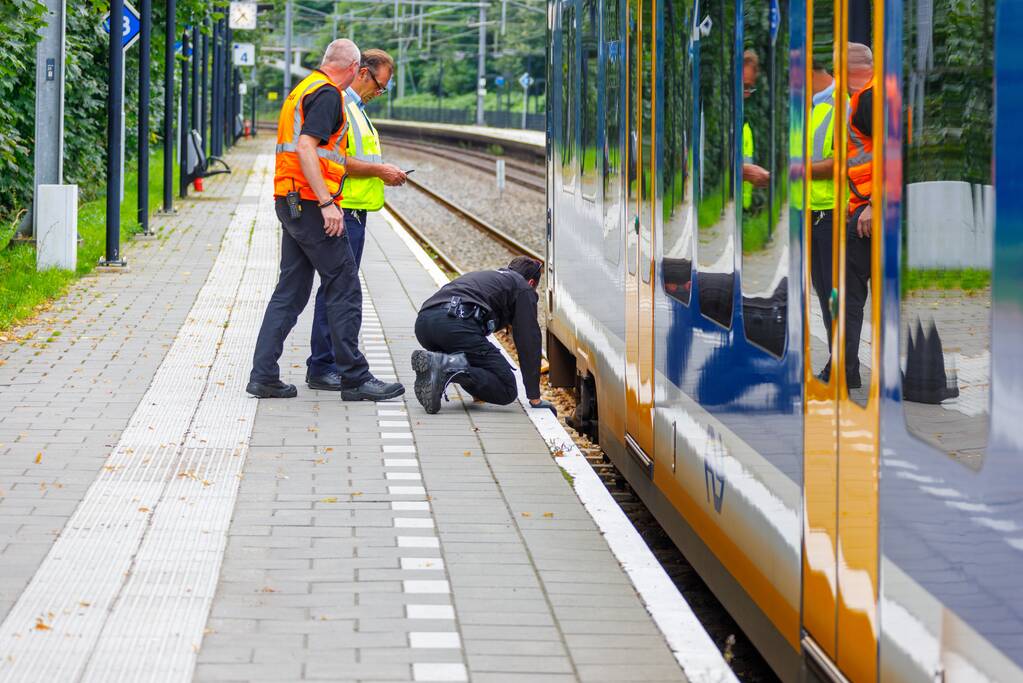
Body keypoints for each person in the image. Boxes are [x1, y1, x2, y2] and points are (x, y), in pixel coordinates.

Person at [246, 39, 404, 402]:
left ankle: (264, 375)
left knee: (292, 291)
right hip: (310, 204)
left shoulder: (301, 90)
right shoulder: (328, 94)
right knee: (344, 283)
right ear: (352, 68)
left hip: (289, 201)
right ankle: (355, 378)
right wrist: (327, 202)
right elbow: (307, 147)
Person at [305, 48, 408, 391]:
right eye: (379, 86)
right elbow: (339, 159)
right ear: (362, 73)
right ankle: (324, 365)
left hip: (354, 210)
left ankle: (329, 363)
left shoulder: (357, 109)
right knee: (338, 290)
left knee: (337, 289)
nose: (379, 94)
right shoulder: (343, 105)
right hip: (342, 209)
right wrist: (381, 170)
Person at [410, 257, 556, 415]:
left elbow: (476, 350)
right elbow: (529, 341)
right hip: (454, 326)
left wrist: (478, 391)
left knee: (476, 356)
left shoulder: (491, 277)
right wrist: (534, 397)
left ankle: (438, 366)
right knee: (507, 388)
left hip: (424, 324)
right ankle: (446, 366)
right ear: (532, 283)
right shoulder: (523, 288)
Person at [807, 60, 838, 350]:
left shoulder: (841, 103)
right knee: (821, 289)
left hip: (831, 212)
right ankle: (836, 357)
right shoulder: (812, 106)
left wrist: (801, 169)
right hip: (812, 211)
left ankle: (842, 362)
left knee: (833, 291)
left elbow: (840, 162)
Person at [741, 49, 770, 207]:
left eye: (750, 88)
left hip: (741, 209)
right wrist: (746, 172)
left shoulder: (744, 120)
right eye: (744, 86)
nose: (747, 94)